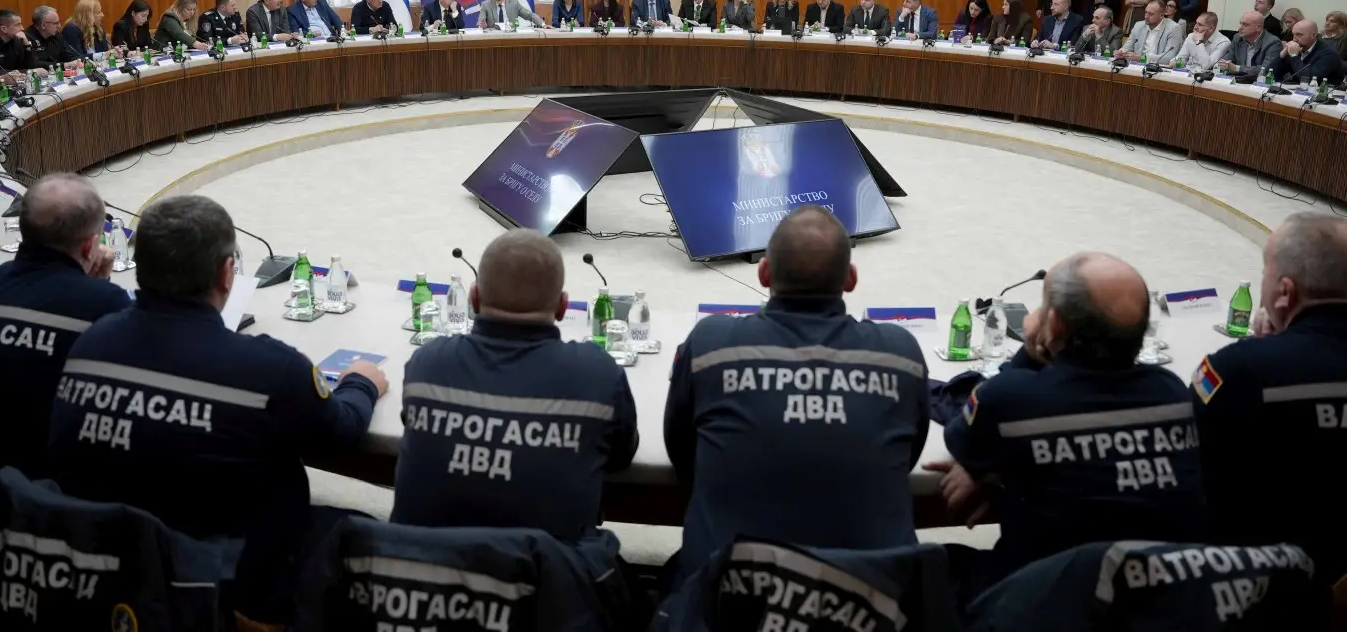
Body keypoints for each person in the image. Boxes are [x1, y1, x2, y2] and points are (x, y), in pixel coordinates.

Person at [47, 195, 389, 624]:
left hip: (109, 562)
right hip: (231, 582)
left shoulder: (91, 343)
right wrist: (361, 382)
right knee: (367, 532)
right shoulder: (269, 368)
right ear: (228, 273)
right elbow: (342, 435)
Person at [664, 206, 929, 584]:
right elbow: (908, 454)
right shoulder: (900, 353)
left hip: (727, 594)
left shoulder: (710, 343)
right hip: (872, 596)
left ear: (764, 273)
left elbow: (681, 451)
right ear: (851, 279)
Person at [933, 252, 1205, 588]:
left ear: (1055, 324)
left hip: (1049, 596)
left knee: (928, 566)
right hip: (1161, 594)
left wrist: (1030, 353)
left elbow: (966, 441)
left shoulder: (1011, 398)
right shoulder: (1172, 392)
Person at [391, 229, 637, 538]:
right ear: (562, 307)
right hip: (547, 567)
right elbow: (621, 456)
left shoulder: (427, 363)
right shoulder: (598, 375)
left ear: (474, 298)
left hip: (421, 563)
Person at [0, 173, 128, 476]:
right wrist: (98, 287)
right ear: (91, 246)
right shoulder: (105, 304)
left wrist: (89, 286)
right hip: (33, 489)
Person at [1191, 213, 1347, 583]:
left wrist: (1265, 350)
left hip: (1256, 580)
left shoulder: (1236, 371)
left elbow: (1186, 454)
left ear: (1284, 292)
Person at [1271, 18, 1345, 86]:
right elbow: (1269, 73)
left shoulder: (1328, 54)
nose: (1294, 39)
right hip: (1295, 90)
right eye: (1293, 34)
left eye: (1299, 35)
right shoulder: (1298, 47)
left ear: (1313, 35)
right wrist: (1281, 55)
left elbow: (1308, 80)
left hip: (1322, 93)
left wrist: (1294, 56)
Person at [1216, 10, 1283, 79]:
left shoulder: (1272, 42)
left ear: (1258, 27)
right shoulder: (1237, 38)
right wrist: (1224, 64)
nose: (1240, 28)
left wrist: (1237, 68)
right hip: (1239, 80)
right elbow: (1228, 58)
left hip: (1262, 82)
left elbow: (1266, 70)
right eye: (1240, 23)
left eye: (1245, 25)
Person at [1117, 0, 1184, 64]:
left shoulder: (1174, 28)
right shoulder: (1139, 25)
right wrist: (1121, 52)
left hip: (1159, 67)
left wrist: (1141, 58)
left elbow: (1168, 57)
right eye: (1146, 12)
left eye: (1150, 14)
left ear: (1161, 15)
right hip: (1136, 65)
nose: (1146, 16)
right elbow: (1127, 47)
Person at [0, 8, 38, 73]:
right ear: (4, 29)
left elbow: (33, 67)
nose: (22, 28)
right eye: (18, 25)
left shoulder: (17, 41)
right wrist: (27, 72)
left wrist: (27, 45)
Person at [478, 0, 543, 29]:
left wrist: (543, 24)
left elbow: (530, 15)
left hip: (510, 34)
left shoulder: (514, 3)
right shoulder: (486, 5)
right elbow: (480, 21)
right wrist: (482, 25)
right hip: (493, 36)